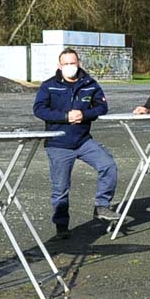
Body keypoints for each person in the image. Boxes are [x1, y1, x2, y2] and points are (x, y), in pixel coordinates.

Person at [33, 48, 121, 237]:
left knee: (108, 166)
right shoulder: (49, 86)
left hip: (83, 141)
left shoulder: (89, 84)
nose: (69, 67)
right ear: (59, 66)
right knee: (61, 188)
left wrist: (85, 115)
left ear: (78, 63)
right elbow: (39, 110)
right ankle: (61, 226)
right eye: (65, 64)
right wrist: (65, 117)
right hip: (58, 143)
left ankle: (102, 206)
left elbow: (102, 107)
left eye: (72, 63)